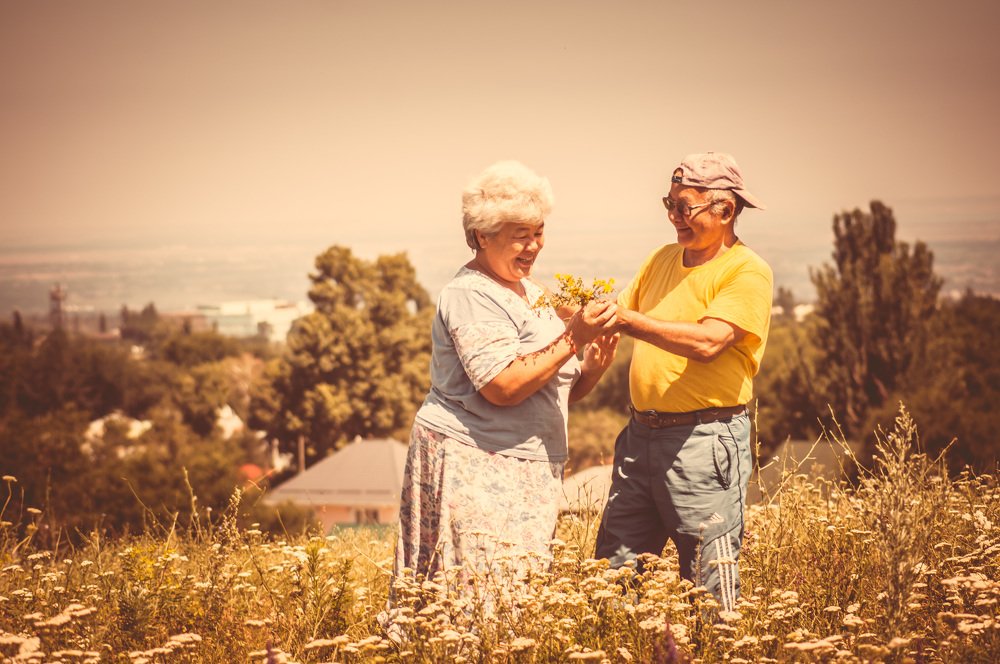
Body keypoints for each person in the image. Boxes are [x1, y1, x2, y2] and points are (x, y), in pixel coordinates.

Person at [391, 160, 620, 603]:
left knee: (515, 601)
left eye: (539, 232)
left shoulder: (529, 291)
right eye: (521, 235)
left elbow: (548, 389)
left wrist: (592, 366)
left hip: (526, 468)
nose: (534, 246)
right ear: (481, 235)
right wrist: (575, 337)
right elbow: (502, 385)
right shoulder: (471, 294)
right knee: (477, 602)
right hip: (476, 464)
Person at [594, 152, 773, 615]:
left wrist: (627, 320)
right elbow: (618, 316)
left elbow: (711, 341)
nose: (675, 217)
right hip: (640, 438)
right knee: (613, 581)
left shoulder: (746, 270)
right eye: (669, 204)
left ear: (725, 210)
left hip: (704, 440)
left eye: (685, 207)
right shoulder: (662, 259)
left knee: (709, 589)